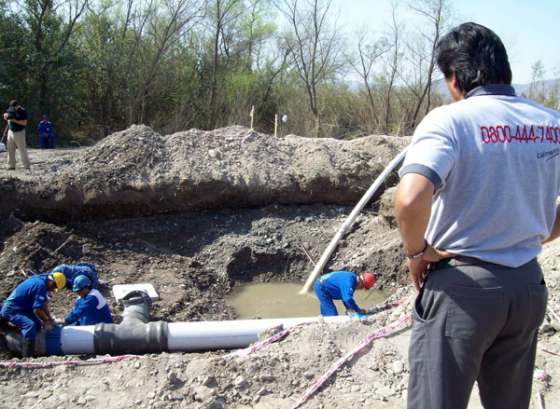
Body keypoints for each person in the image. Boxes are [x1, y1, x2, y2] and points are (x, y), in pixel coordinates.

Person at [394, 22, 558, 409]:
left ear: (454, 78)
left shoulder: (451, 121)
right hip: (527, 288)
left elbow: (411, 198)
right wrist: (530, 233)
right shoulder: (549, 123)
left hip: (464, 291)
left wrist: (417, 254)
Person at [0, 272, 66, 357]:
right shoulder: (40, 285)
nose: (52, 290)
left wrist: (49, 318)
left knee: (38, 325)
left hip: (23, 309)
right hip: (12, 309)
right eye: (54, 287)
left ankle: (35, 348)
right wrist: (46, 321)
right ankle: (27, 356)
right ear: (52, 281)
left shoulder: (41, 279)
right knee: (29, 326)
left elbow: (43, 304)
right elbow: (37, 310)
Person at [3, 100, 30, 170]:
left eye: (13, 107)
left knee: (22, 150)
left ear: (17, 106)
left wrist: (13, 120)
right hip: (11, 132)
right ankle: (11, 166)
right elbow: (8, 117)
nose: (12, 109)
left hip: (19, 132)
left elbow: (24, 123)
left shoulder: (23, 111)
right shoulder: (11, 110)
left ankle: (26, 166)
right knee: (10, 149)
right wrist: (6, 117)